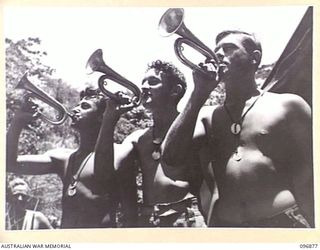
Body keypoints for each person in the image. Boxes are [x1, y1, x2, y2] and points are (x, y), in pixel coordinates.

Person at [162, 30, 314, 227]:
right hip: (227, 228)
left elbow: (310, 177)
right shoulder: (206, 115)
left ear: (255, 58)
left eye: (229, 48)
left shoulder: (288, 105)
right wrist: (198, 93)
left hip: (281, 223)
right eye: (216, 51)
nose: (217, 55)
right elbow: (171, 158)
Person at [95, 60, 207, 227]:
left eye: (153, 82)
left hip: (187, 216)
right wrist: (109, 119)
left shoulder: (196, 126)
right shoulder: (138, 138)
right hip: (150, 220)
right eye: (143, 82)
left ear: (175, 91)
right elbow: (103, 173)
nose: (144, 87)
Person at [6, 87, 118, 228]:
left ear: (102, 117)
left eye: (84, 106)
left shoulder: (118, 154)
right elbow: (9, 164)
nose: (75, 109)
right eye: (77, 105)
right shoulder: (63, 158)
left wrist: (111, 117)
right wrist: (17, 122)